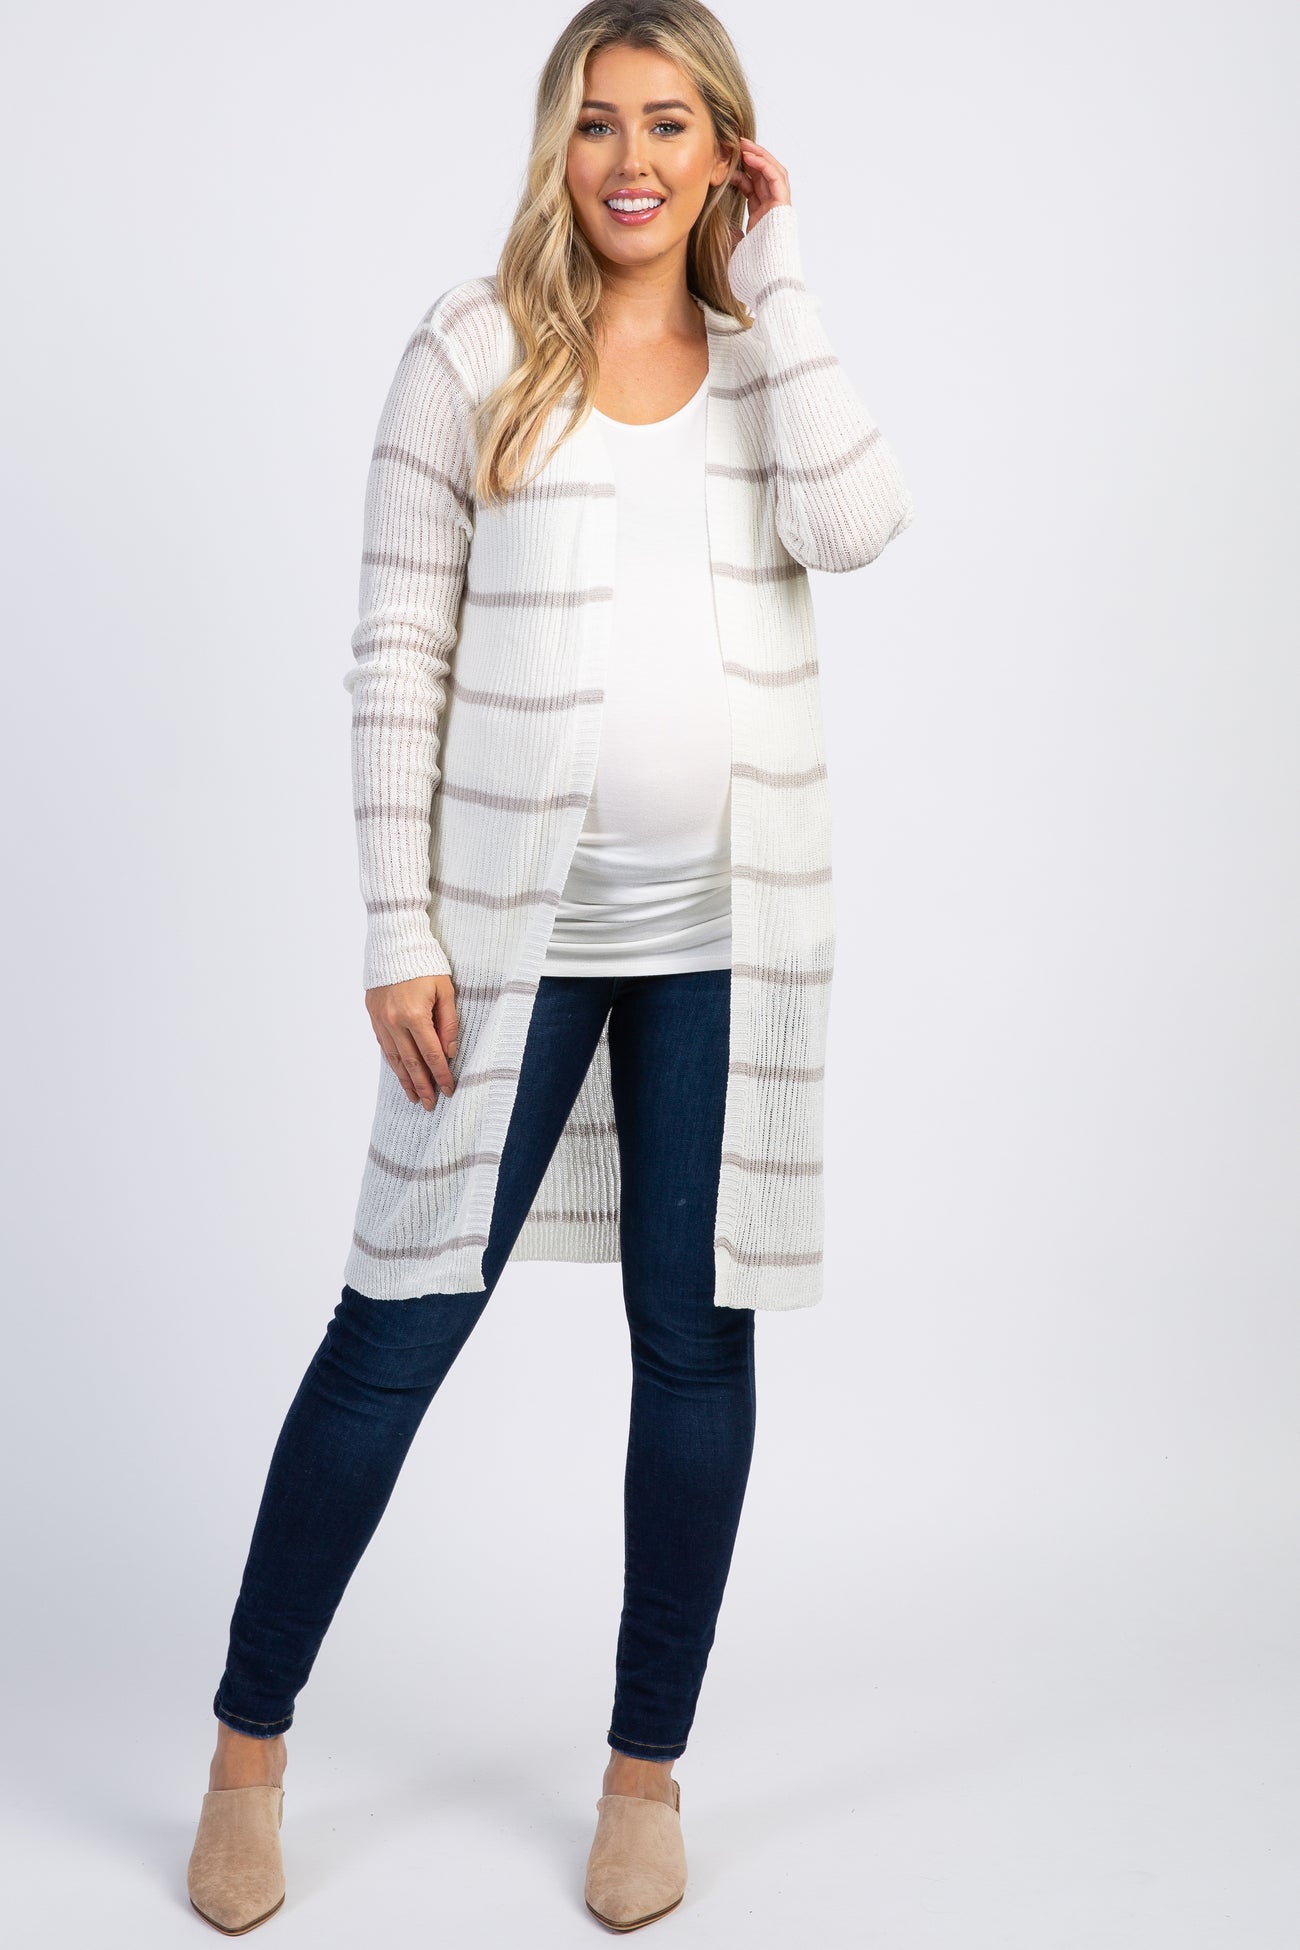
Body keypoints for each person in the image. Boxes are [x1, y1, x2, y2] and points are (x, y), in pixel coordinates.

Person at [185, 0, 914, 1934]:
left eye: (671, 124)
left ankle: (644, 1772)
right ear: (556, 146)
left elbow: (860, 522)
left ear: (726, 150)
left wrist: (785, 269)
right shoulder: (473, 350)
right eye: (598, 122)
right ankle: (247, 1750)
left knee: (694, 1349)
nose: (630, 160)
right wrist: (399, 923)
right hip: (511, 949)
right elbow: (395, 651)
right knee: (392, 1331)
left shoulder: (763, 362)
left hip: (728, 946)